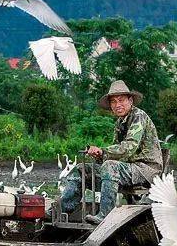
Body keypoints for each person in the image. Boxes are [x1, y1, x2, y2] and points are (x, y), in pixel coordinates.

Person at [60, 80, 163, 224]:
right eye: (113, 102)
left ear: (130, 100)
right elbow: (116, 152)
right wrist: (99, 155)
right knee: (81, 169)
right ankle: (61, 210)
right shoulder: (119, 123)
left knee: (110, 166)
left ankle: (104, 216)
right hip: (127, 169)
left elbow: (129, 147)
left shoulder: (138, 116)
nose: (117, 105)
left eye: (121, 100)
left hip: (145, 169)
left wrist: (102, 151)